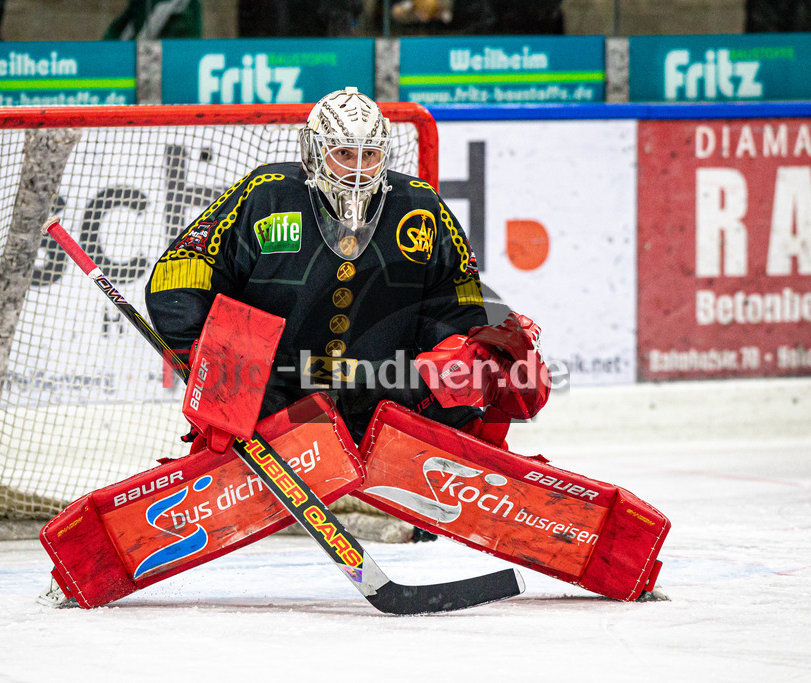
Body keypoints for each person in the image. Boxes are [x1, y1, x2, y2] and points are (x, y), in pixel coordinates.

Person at [146, 86, 544, 442]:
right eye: (344, 154)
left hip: (384, 395)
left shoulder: (421, 206)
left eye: (369, 155)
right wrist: (205, 352)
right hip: (274, 394)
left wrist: (456, 359)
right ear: (314, 151)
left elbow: (457, 299)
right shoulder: (265, 195)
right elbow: (182, 268)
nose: (357, 170)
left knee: (461, 391)